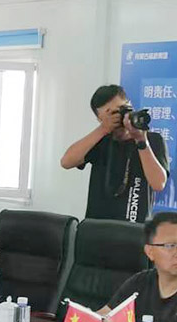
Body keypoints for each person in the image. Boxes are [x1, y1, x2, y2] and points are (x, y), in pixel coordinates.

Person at [60, 84, 169, 224]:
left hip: (133, 228)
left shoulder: (152, 140)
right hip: (96, 227)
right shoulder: (100, 140)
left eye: (120, 110)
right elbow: (66, 162)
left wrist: (141, 141)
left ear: (130, 106)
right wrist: (102, 129)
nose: (118, 117)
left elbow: (158, 184)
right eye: (110, 114)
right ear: (100, 118)